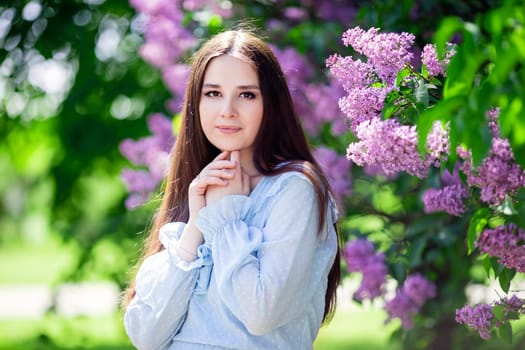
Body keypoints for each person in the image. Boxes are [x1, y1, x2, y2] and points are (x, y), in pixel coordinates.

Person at [122, 28, 341, 350]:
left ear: (272, 104)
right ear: (195, 103)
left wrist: (225, 219)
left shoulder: (295, 189)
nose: (227, 110)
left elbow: (262, 313)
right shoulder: (198, 189)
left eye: (246, 94)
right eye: (212, 93)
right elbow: (146, 336)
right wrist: (197, 223)